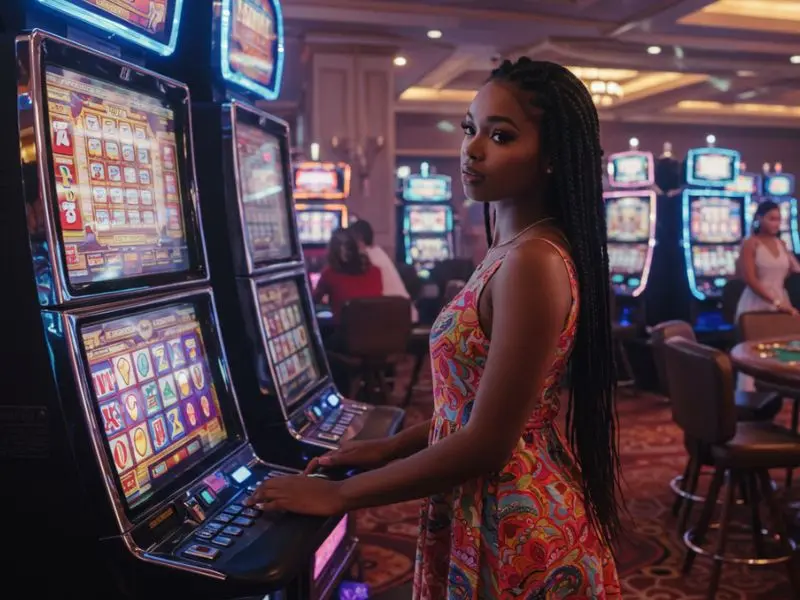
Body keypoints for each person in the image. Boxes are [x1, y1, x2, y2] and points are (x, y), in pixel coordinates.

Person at [248, 58, 622, 598]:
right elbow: (479, 409)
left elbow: (490, 443)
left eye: (501, 135)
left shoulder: (533, 261)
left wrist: (340, 498)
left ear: (552, 158)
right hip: (491, 501)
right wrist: (390, 447)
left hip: (519, 522)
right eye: (471, 128)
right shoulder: (512, 250)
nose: (472, 148)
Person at [735, 200, 800, 389]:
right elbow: (750, 280)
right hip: (756, 302)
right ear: (759, 218)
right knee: (753, 355)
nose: (776, 223)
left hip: (780, 299)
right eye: (771, 219)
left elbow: (794, 269)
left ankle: (779, 396)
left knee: (781, 352)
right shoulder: (750, 244)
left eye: (779, 219)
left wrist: (781, 301)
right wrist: (777, 302)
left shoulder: (781, 243)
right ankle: (748, 399)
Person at [349, 219, 419, 323]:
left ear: (359, 239)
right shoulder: (377, 252)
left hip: (397, 318)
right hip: (405, 315)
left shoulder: (366, 259)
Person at [312, 228, 383, 323]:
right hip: (376, 333)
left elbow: (312, 302)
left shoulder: (329, 274)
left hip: (344, 335)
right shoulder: (376, 272)